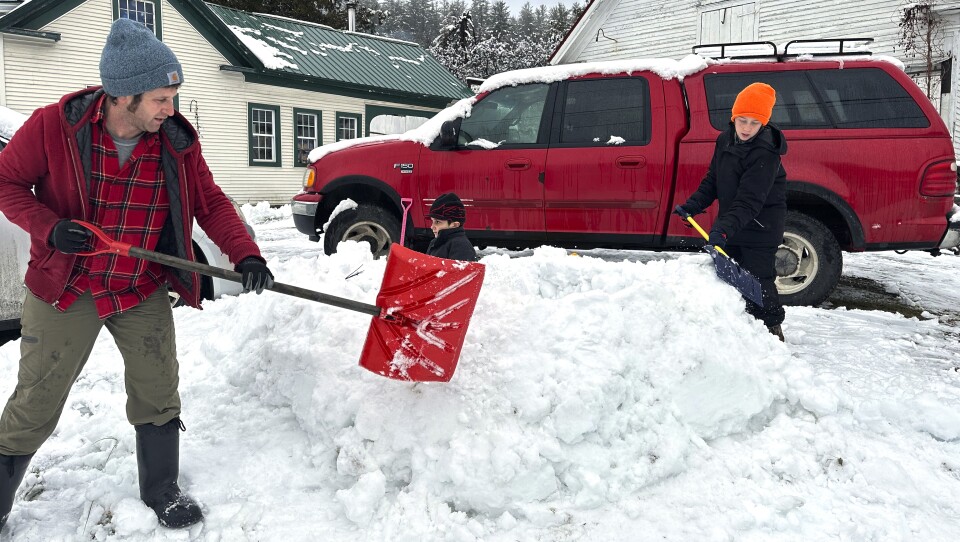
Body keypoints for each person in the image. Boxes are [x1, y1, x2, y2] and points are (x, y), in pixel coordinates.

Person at [0, 19, 274, 530]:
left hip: (139, 285)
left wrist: (246, 256)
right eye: (161, 99)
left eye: (172, 97)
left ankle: (161, 488)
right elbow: (6, 181)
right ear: (123, 96)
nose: (171, 109)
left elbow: (211, 202)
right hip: (68, 285)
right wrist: (49, 227)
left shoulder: (174, 141)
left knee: (158, 387)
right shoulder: (53, 126)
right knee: (37, 398)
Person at [674, 82, 787, 341]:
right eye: (742, 120)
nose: (747, 128)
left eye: (754, 123)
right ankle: (741, 334)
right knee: (733, 281)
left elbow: (749, 201)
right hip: (734, 223)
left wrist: (722, 229)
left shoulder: (766, 152)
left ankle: (772, 331)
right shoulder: (724, 140)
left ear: (764, 124)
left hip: (761, 226)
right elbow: (714, 179)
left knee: (758, 281)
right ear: (733, 117)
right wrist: (694, 204)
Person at [426, 193, 478, 262]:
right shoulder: (435, 242)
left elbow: (462, 268)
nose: (432, 226)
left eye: (437, 222)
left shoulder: (461, 246)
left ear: (455, 225)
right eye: (432, 221)